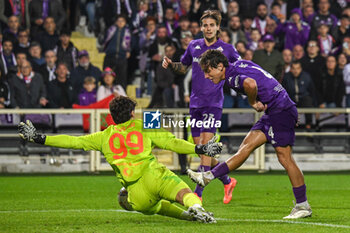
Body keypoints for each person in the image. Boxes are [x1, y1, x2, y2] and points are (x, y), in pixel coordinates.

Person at [18, 96, 221, 223]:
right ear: (132, 113)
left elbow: (72, 141)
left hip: (135, 193)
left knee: (154, 207)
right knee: (184, 193)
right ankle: (196, 208)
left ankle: (188, 217)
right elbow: (172, 143)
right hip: (153, 175)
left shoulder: (104, 136)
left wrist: (38, 137)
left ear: (112, 116)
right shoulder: (144, 124)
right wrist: (199, 148)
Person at [187, 49, 312, 219]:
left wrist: (253, 102)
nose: (207, 76)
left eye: (208, 71)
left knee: (285, 157)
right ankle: (208, 177)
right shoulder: (238, 64)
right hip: (276, 109)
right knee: (246, 146)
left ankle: (302, 205)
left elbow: (251, 84)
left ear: (220, 66)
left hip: (280, 110)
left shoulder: (231, 77)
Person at [162, 10, 239, 203]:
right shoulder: (194, 46)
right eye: (205, 25)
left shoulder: (227, 49)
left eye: (212, 25)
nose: (208, 28)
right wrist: (172, 65)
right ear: (201, 27)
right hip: (195, 104)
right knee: (201, 151)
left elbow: (240, 67)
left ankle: (197, 195)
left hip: (213, 104)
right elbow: (183, 66)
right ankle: (227, 181)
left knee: (205, 148)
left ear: (217, 27)